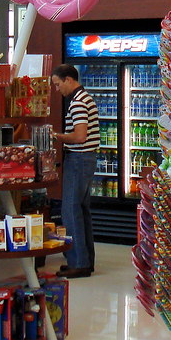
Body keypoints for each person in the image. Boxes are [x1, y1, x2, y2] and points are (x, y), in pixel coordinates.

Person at [51, 64, 99, 279]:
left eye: (58, 84)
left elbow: (80, 136)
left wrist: (57, 136)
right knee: (81, 210)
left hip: (79, 158)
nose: (57, 89)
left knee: (70, 211)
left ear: (68, 79)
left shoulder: (78, 102)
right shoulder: (85, 98)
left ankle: (78, 263)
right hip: (87, 159)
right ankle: (85, 260)